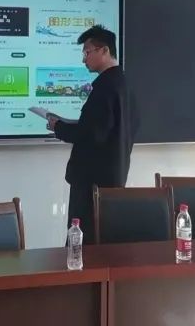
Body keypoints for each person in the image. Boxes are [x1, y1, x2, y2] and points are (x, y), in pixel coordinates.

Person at [46, 25, 136, 244]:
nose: (84, 59)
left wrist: (59, 127)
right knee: (102, 242)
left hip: (92, 183)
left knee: (82, 242)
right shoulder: (123, 83)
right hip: (113, 177)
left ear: (104, 50)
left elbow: (91, 134)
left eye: (87, 52)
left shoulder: (105, 88)